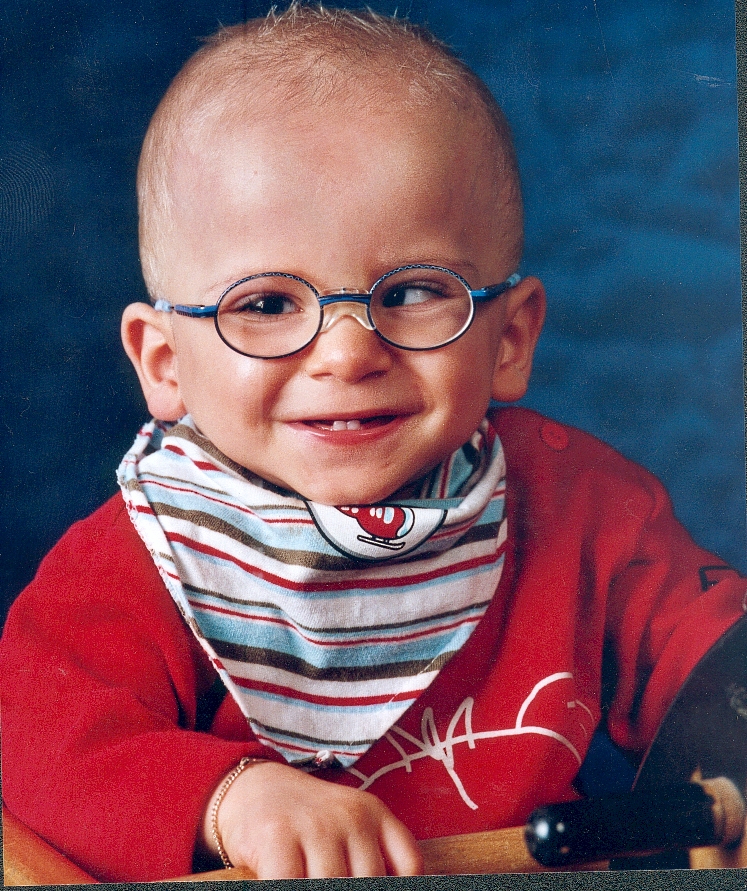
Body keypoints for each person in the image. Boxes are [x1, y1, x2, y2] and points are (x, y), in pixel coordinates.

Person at [1, 4, 744, 883]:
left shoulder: (578, 502)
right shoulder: (141, 556)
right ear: (164, 365)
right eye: (267, 304)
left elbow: (713, 659)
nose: (348, 353)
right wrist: (229, 798)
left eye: (413, 292)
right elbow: (36, 742)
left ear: (509, 339)